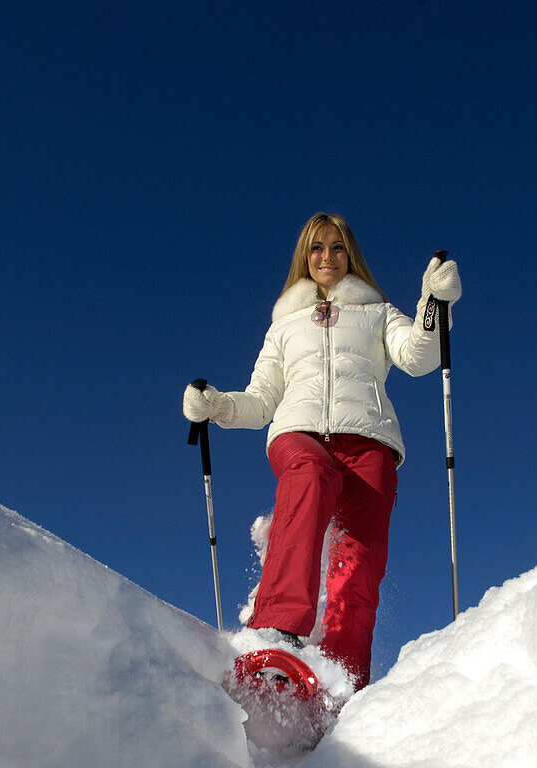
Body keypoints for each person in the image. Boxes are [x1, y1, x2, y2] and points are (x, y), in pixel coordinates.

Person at [183, 213, 461, 691]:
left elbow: (418, 357)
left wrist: (434, 303)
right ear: (304, 257)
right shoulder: (285, 325)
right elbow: (262, 399)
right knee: (309, 476)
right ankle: (276, 629)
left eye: (336, 247)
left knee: (357, 566)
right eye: (317, 248)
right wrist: (217, 406)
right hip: (299, 432)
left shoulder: (377, 311)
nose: (327, 257)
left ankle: (340, 682)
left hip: (369, 442)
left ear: (349, 253)